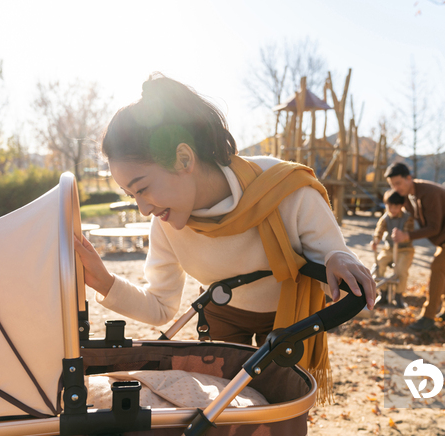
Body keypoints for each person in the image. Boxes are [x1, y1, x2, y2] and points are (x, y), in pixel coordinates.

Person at [74, 73, 375, 402]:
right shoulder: (167, 223)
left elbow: (332, 252)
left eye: (142, 188)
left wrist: (340, 257)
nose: (143, 208)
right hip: (222, 315)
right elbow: (160, 307)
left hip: (288, 317)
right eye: (132, 195)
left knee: (281, 406)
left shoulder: (285, 190)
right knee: (227, 410)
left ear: (184, 159)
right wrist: (103, 281)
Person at [385, 162, 445, 331]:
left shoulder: (429, 193)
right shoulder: (407, 196)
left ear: (409, 178)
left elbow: (434, 227)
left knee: (438, 266)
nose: (396, 188)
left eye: (398, 183)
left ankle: (428, 317)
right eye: (392, 185)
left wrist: (407, 236)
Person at [370, 190, 415, 309]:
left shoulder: (407, 218)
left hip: (405, 249)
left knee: (401, 270)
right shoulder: (385, 218)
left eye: (396, 207)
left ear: (401, 206)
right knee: (379, 264)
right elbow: (379, 230)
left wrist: (401, 236)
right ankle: (383, 293)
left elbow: (409, 231)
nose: (393, 209)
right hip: (389, 248)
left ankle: (399, 296)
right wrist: (376, 240)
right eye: (390, 206)